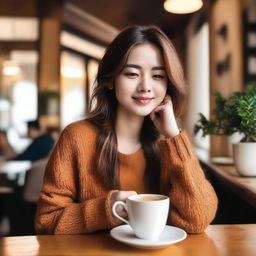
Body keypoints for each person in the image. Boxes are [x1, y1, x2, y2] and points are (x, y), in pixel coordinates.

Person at [35, 25, 218, 235]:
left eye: (158, 76)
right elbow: (46, 222)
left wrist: (174, 136)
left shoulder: (168, 142)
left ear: (169, 83)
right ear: (111, 79)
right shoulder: (76, 137)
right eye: (132, 73)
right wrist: (107, 209)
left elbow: (198, 219)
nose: (145, 86)